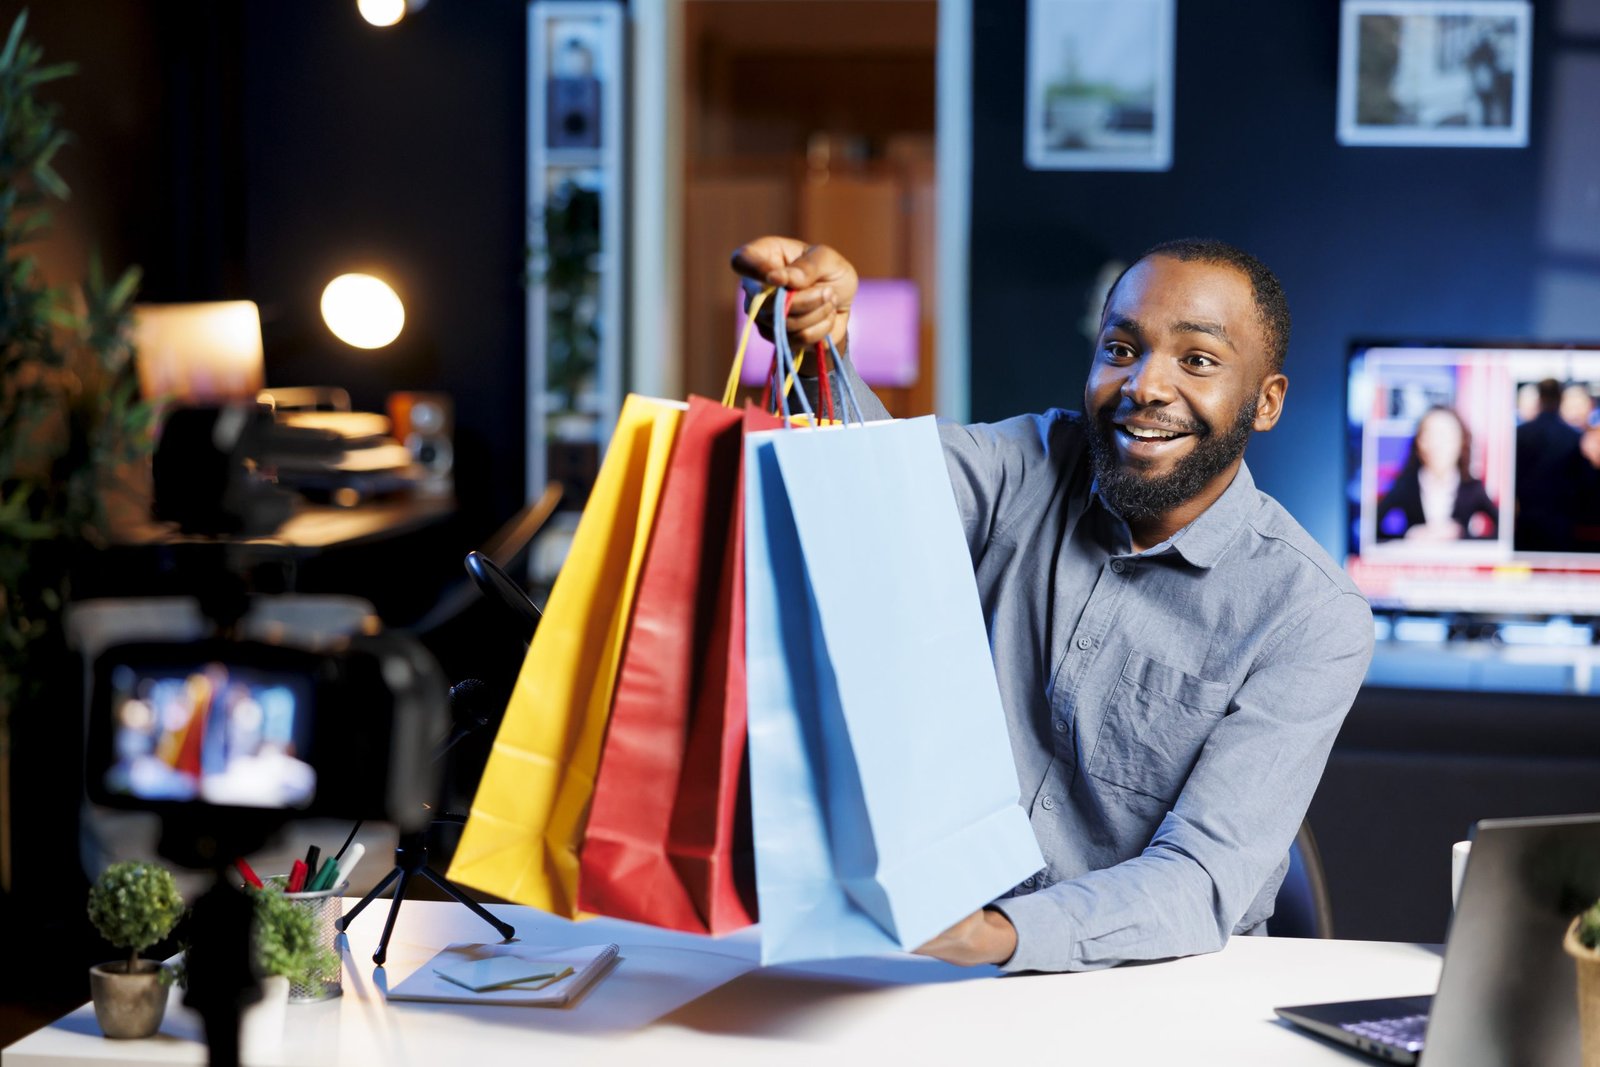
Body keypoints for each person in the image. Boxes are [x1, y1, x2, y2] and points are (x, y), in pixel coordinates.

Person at [732, 235, 1374, 973]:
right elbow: (878, 492)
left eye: (1196, 359)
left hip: (1153, 988)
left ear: (1266, 402)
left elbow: (1200, 878)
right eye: (1122, 349)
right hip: (929, 965)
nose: (1146, 385)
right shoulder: (1029, 460)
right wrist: (825, 350)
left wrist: (994, 933)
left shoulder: (1312, 615)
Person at [1373, 405, 1497, 542]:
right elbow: (1371, 529)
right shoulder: (1406, 485)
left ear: (1461, 441)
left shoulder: (1472, 487)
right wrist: (1408, 536)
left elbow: (1503, 533)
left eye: (1445, 436)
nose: (1437, 444)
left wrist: (1461, 536)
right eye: (1429, 435)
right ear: (1418, 442)